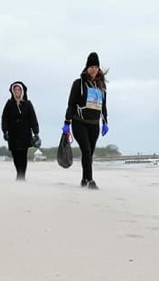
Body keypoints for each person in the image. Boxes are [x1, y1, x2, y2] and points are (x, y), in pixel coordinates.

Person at [63, 52, 109, 189]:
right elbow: (71, 103)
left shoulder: (101, 87)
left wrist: (105, 122)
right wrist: (67, 123)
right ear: (86, 67)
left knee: (88, 154)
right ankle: (90, 180)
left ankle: (84, 179)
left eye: (96, 67)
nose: (93, 69)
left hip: (94, 125)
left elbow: (103, 106)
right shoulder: (78, 84)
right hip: (79, 123)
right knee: (87, 151)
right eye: (91, 66)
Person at [1, 81, 40, 181]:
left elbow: (33, 118)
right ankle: (18, 172)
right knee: (15, 156)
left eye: (19, 90)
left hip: (25, 133)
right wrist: (5, 131)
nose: (17, 92)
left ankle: (22, 176)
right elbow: (4, 118)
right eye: (15, 90)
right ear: (13, 92)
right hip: (13, 134)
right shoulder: (9, 104)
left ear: (22, 91)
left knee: (23, 156)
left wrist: (36, 132)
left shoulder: (28, 104)